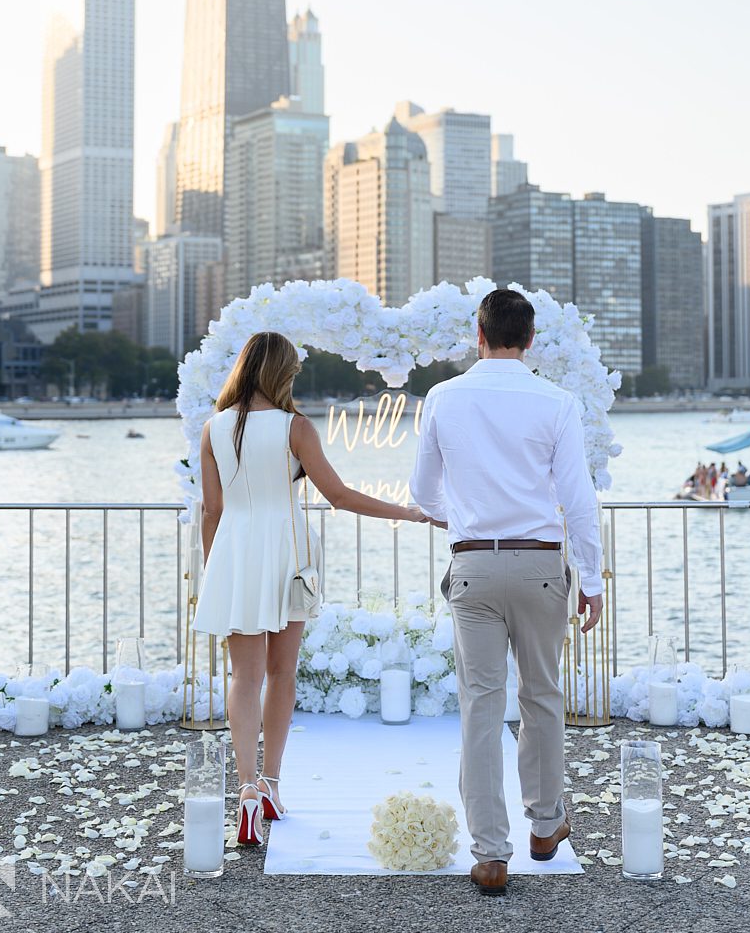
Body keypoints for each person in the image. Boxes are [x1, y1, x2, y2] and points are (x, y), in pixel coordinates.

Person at [193, 331, 427, 846]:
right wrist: (407, 512)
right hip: (288, 556)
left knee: (244, 677)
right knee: (281, 673)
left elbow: (211, 511)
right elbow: (339, 496)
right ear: (281, 373)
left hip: (234, 555)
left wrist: (219, 568)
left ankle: (247, 790)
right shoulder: (294, 428)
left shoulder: (213, 428)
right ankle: (272, 784)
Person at [409, 289, 603, 896]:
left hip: (474, 567)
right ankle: (545, 826)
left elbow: (423, 493)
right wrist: (592, 581)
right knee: (542, 696)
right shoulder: (558, 401)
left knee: (481, 706)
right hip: (543, 566)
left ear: (478, 332)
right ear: (531, 337)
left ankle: (492, 853)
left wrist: (461, 515)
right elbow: (579, 499)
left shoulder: (443, 397)